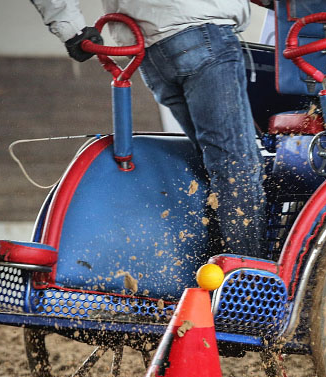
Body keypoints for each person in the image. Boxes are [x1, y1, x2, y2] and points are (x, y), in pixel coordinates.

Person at [31, 0, 271, 258]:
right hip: (201, 31)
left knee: (214, 165)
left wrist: (70, 29)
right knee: (237, 166)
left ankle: (215, 267)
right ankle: (249, 274)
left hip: (150, 50)